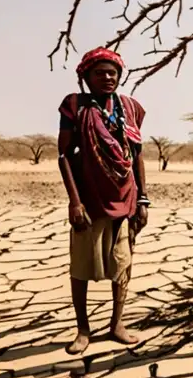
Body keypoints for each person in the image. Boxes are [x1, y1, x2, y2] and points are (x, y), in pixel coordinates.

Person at [58, 48, 149, 355]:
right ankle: (83, 329)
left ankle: (117, 324)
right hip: (89, 199)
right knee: (81, 266)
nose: (107, 78)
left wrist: (144, 199)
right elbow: (64, 156)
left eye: (112, 73)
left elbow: (136, 156)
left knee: (123, 264)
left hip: (125, 199)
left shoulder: (129, 107)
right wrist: (75, 202)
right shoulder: (75, 105)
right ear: (86, 76)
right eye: (100, 73)